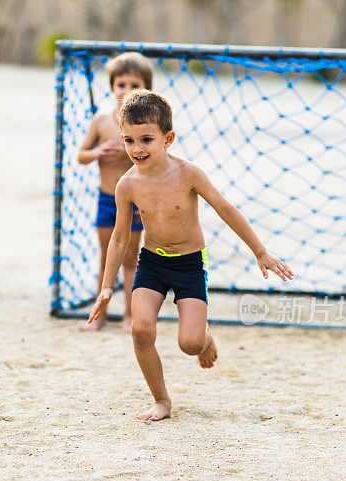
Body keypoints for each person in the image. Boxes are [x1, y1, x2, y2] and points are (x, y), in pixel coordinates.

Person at [88, 90, 294, 421]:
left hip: (190, 265)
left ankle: (205, 337)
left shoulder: (188, 174)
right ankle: (162, 400)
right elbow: (120, 237)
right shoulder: (126, 186)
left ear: (167, 138)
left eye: (146, 139)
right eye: (129, 140)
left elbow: (226, 209)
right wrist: (107, 287)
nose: (137, 149)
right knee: (142, 331)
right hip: (152, 264)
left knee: (190, 344)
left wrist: (261, 252)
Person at [77, 52, 153, 332]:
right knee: (105, 257)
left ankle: (129, 316)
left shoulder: (146, 126)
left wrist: (134, 150)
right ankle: (100, 316)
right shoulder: (101, 122)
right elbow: (81, 155)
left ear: (147, 89)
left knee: (131, 259)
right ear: (112, 86)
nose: (127, 91)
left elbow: (159, 157)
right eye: (121, 84)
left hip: (135, 203)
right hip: (107, 199)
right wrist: (98, 152)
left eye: (135, 85)